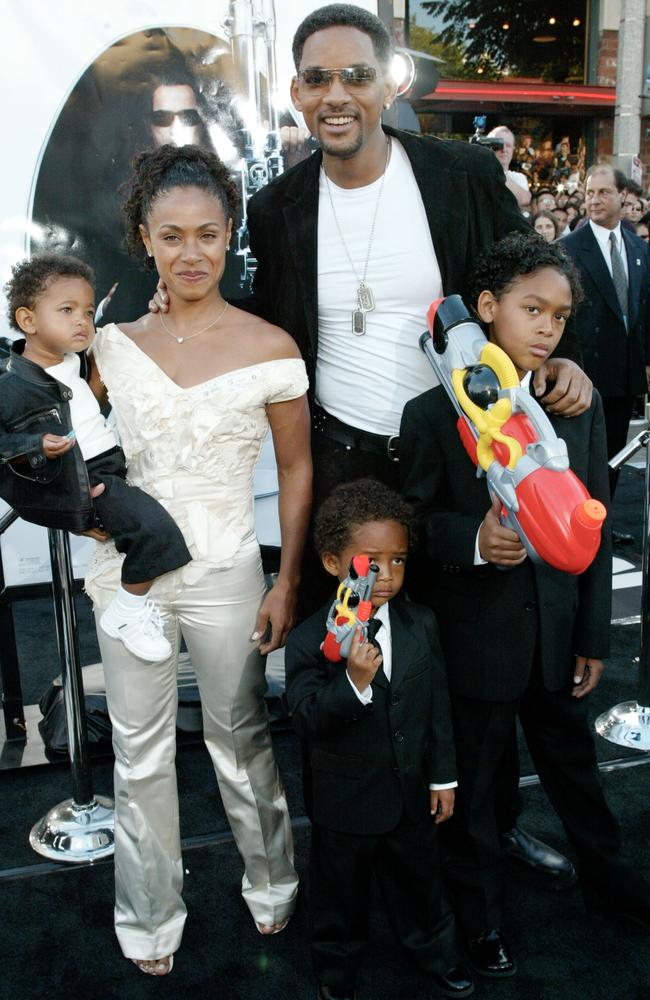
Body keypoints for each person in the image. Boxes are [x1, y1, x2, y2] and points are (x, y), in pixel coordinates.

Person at [153, 2, 590, 884]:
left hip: (462, 454)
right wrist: (182, 308)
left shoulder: (460, 171)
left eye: (356, 75)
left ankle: (486, 831)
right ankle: (361, 850)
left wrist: (563, 356)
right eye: (318, 78)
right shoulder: (278, 207)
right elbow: (269, 327)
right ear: (296, 92)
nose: (337, 94)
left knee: (469, 670)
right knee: (350, 654)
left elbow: (519, 286)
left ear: (389, 84)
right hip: (346, 467)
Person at [86, 143, 312, 974]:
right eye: (172, 235)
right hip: (130, 584)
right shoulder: (107, 347)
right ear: (145, 238)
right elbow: (72, 447)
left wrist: (287, 578)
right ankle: (149, 918)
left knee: (242, 735)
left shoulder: (270, 345)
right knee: (137, 751)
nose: (191, 253)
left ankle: (274, 884)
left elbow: (296, 470)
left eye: (208, 235)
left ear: (230, 237)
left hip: (228, 573)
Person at [400, 232, 650, 978]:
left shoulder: (576, 407)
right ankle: (479, 920)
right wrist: (472, 539)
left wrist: (595, 636)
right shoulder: (430, 411)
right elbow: (412, 523)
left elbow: (597, 531)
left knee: (576, 771)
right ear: (486, 308)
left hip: (556, 637)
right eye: (531, 308)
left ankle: (613, 885)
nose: (547, 327)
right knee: (473, 790)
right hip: (476, 643)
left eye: (561, 316)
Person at [285, 479, 473, 1000]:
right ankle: (336, 972)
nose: (386, 575)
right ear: (331, 562)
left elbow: (436, 706)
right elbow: (304, 719)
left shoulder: (421, 624)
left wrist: (443, 777)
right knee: (340, 894)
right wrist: (353, 684)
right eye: (370, 562)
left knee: (421, 883)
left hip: (412, 791)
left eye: (398, 560)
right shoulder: (306, 639)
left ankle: (435, 951)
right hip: (345, 803)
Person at [0, 253, 192, 662]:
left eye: (87, 311)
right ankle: (127, 612)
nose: (82, 321)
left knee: (159, 525)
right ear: (28, 320)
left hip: (109, 467)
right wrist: (42, 456)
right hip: (83, 478)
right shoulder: (13, 386)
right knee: (157, 533)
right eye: (67, 310)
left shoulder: (74, 360)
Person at [562, 164, 650, 514]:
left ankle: (604, 523)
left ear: (622, 196)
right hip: (583, 373)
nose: (594, 200)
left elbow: (643, 310)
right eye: (589, 193)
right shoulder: (568, 248)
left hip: (623, 374)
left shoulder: (639, 249)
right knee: (581, 460)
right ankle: (579, 523)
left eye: (603, 192)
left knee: (615, 455)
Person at [486, 125, 532, 211]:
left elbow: (524, 200)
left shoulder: (518, 178)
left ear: (513, 150)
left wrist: (494, 170)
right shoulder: (478, 173)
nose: (504, 149)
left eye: (508, 145)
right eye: (498, 145)